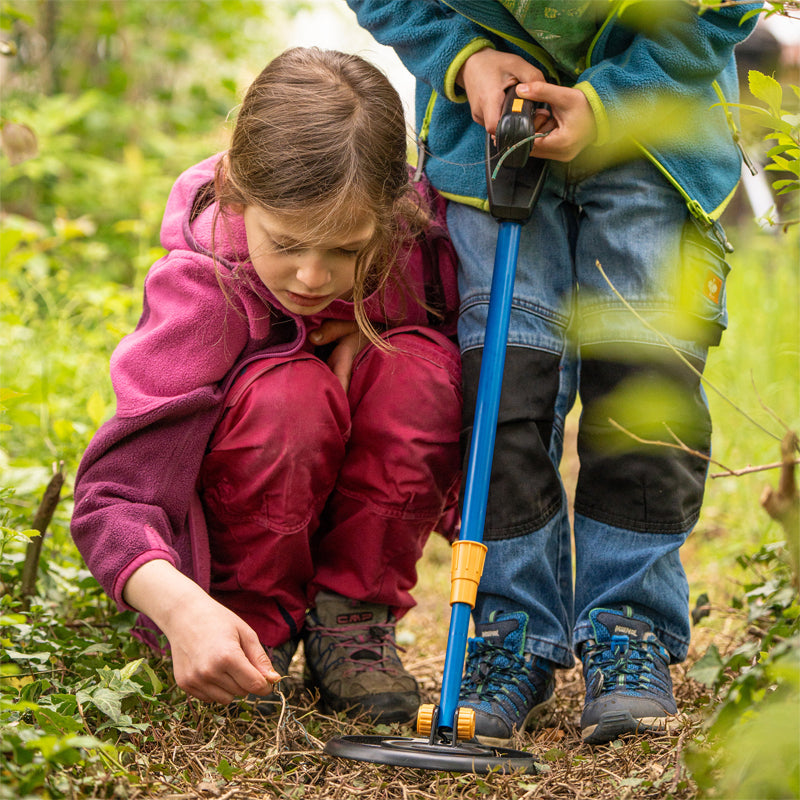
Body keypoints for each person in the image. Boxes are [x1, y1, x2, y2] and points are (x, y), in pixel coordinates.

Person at [347, 0, 759, 744]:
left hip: (654, 138)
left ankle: (629, 625)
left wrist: (613, 105)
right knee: (506, 392)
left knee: (644, 392)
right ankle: (511, 634)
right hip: (488, 143)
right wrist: (463, 57)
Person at [70, 47, 463, 725]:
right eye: (286, 243)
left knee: (419, 367)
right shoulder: (205, 290)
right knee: (289, 397)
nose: (313, 277)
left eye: (345, 251)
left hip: (356, 530)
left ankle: (352, 621)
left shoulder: (413, 253)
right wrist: (180, 608)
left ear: (392, 217)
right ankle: (251, 627)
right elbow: (113, 497)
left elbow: (465, 419)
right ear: (234, 196)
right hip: (224, 575)